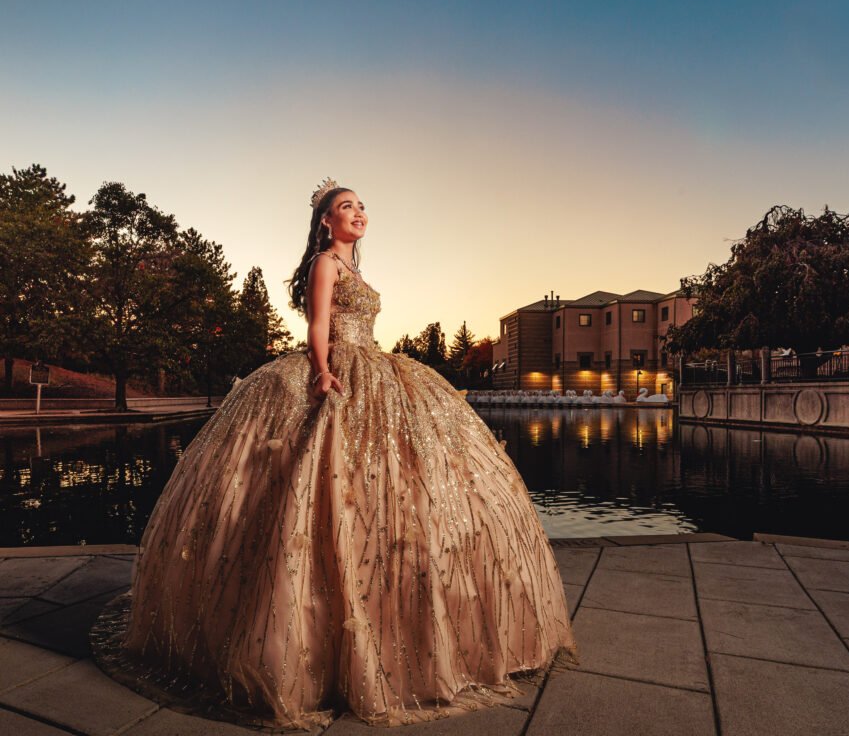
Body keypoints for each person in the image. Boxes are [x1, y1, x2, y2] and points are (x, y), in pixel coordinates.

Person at [121, 179, 576, 728]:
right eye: (345, 207)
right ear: (325, 222)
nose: (358, 213)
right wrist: (322, 372)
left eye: (360, 206)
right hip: (336, 366)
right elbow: (317, 324)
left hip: (376, 369)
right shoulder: (325, 265)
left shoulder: (353, 270)